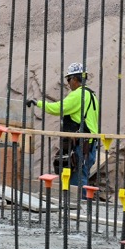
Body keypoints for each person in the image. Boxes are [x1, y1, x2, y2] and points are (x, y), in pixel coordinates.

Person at [28, 62, 100, 190]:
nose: (68, 83)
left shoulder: (78, 95)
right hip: (89, 145)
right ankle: (78, 206)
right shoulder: (92, 95)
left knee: (76, 180)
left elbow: (57, 108)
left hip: (81, 145)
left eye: (69, 79)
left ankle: (77, 208)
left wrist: (37, 103)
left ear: (75, 79)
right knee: (80, 175)